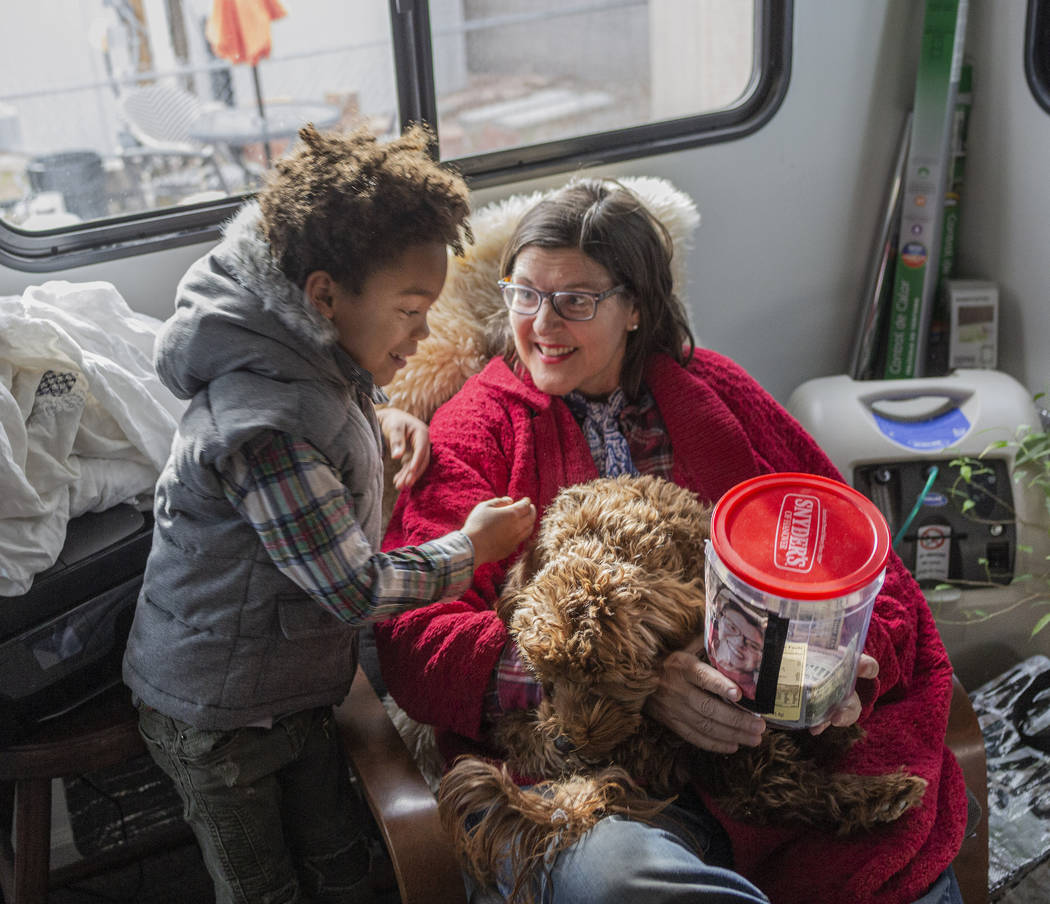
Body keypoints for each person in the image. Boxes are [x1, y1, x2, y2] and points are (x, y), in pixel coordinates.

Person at [373, 177, 969, 904]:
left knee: (884, 854)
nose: (542, 323)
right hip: (586, 776)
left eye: (576, 300)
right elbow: (415, 641)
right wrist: (637, 685)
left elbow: (854, 559)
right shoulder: (475, 429)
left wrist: (838, 667)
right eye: (524, 293)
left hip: (763, 754)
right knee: (619, 882)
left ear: (636, 308)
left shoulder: (718, 392)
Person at [122, 124, 536, 904]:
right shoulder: (265, 427)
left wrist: (386, 421)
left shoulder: (305, 348)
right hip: (219, 710)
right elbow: (350, 589)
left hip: (295, 681)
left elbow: (334, 406)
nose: (422, 335)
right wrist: (472, 548)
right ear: (323, 294)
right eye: (411, 311)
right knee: (264, 886)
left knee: (340, 862)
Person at [708, 592, 765, 701]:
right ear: (720, 621)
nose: (738, 642)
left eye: (752, 645)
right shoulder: (711, 634)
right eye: (732, 628)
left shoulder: (751, 692)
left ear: (760, 661)